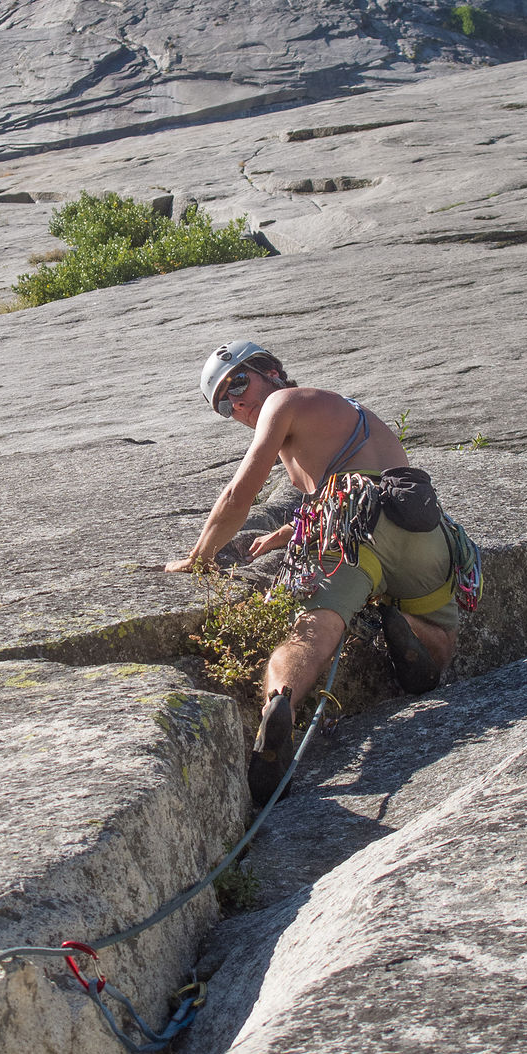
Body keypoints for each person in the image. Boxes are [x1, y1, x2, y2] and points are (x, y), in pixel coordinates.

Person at [165, 340, 460, 806]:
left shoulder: (282, 403)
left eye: (238, 382)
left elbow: (239, 495)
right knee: (440, 629)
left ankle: (280, 700)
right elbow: (362, 478)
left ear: (273, 372)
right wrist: (286, 532)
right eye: (224, 402)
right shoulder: (344, 413)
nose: (236, 402)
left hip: (349, 530)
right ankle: (420, 646)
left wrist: (200, 555)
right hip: (418, 527)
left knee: (311, 630)